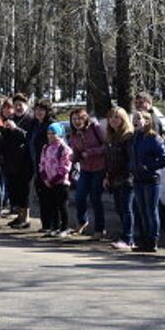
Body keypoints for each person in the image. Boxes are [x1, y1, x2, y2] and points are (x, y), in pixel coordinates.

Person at [131, 110, 165, 252]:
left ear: (147, 121)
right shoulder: (135, 138)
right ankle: (143, 240)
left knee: (151, 211)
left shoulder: (154, 138)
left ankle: (153, 240)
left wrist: (149, 166)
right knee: (141, 210)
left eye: (138, 118)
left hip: (151, 179)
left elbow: (164, 160)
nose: (135, 121)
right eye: (134, 118)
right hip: (137, 178)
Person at [69, 108, 107, 239]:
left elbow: (106, 146)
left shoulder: (95, 128)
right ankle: (82, 221)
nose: (77, 122)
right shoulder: (74, 134)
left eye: (80, 118)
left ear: (86, 118)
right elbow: (76, 151)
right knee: (79, 196)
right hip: (85, 168)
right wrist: (73, 157)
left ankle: (100, 229)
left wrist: (91, 152)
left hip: (99, 168)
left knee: (95, 198)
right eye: (74, 119)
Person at [1, 94, 35, 229]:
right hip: (12, 160)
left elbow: (29, 137)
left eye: (21, 105)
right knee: (15, 189)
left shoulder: (31, 119)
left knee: (25, 190)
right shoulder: (12, 118)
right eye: (16, 105)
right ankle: (19, 216)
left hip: (26, 160)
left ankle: (25, 218)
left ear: (26, 105)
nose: (18, 108)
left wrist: (15, 129)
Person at [104, 107, 136, 250]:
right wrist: (107, 176)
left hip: (126, 178)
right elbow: (109, 159)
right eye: (111, 117)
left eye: (117, 117)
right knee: (119, 208)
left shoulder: (128, 136)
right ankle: (126, 236)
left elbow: (130, 159)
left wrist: (127, 175)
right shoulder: (110, 137)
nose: (113, 120)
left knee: (126, 209)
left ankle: (128, 239)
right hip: (114, 178)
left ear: (123, 119)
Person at [38, 123, 73, 237]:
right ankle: (55, 226)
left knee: (62, 205)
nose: (51, 136)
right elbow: (42, 164)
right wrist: (44, 178)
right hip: (48, 182)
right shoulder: (45, 147)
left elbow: (65, 167)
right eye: (49, 133)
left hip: (61, 182)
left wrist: (53, 180)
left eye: (54, 133)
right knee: (52, 205)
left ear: (60, 134)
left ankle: (65, 227)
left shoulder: (64, 149)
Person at [29, 100, 55, 233]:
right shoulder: (34, 124)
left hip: (49, 165)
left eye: (42, 110)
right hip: (36, 164)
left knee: (49, 195)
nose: (38, 112)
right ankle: (45, 224)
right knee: (41, 195)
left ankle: (52, 224)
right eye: (37, 110)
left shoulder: (51, 125)